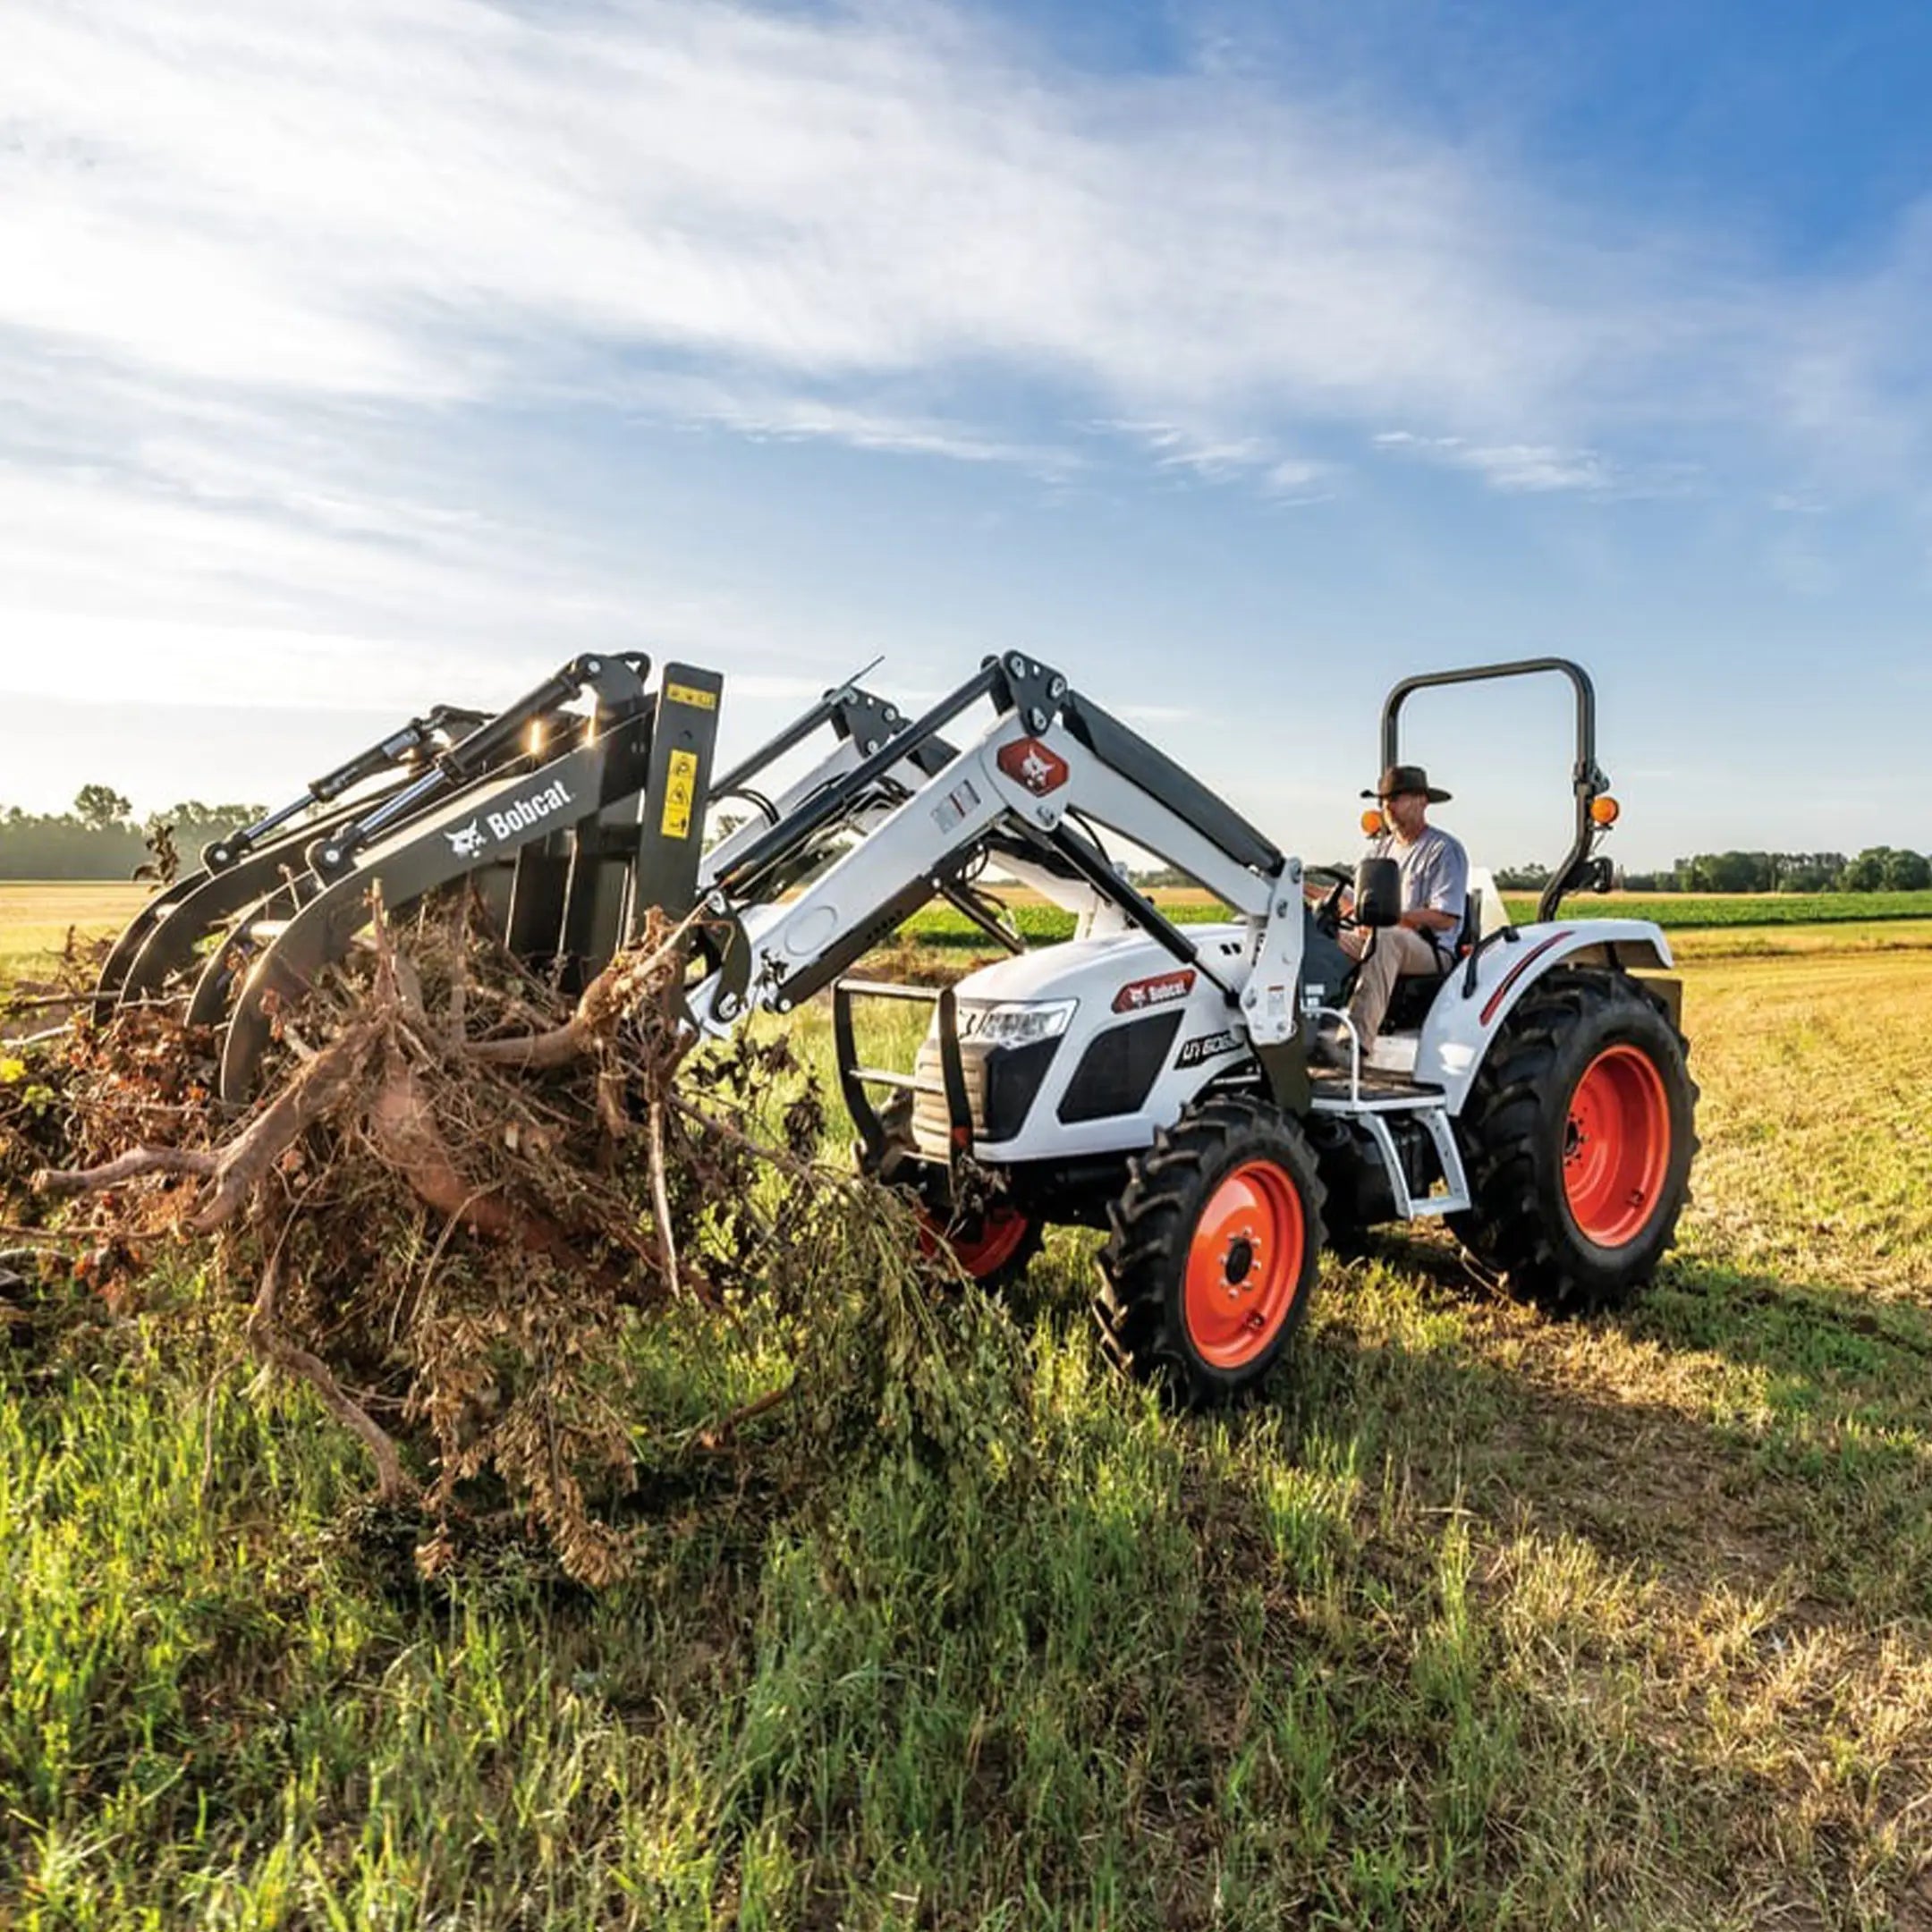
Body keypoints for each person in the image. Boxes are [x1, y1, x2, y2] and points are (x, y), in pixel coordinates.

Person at [1319, 763, 1469, 1063]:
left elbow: (1445, 917)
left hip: (1429, 948)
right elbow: (1355, 899)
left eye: (1396, 797)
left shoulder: (1442, 849)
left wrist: (1392, 916)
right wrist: (1310, 892)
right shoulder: (1380, 850)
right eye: (1383, 799)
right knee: (1321, 935)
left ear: (1422, 801)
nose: (1387, 805)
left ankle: (1354, 1045)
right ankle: (1309, 1029)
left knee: (1386, 936)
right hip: (1377, 937)